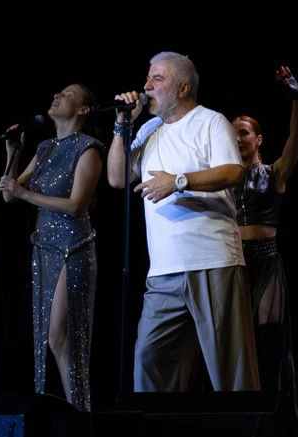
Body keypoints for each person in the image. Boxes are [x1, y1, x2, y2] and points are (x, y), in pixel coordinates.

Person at [107, 52, 259, 393]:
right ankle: (161, 430)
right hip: (163, 271)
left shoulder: (211, 121)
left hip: (212, 261)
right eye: (148, 78)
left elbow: (233, 172)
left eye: (157, 79)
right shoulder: (148, 129)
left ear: (183, 88)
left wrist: (178, 181)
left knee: (230, 370)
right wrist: (121, 125)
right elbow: (117, 178)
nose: (146, 86)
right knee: (150, 360)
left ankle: (244, 428)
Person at [0, 84, 103, 411]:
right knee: (52, 338)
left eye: (68, 94)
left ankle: (81, 412)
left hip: (73, 247)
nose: (57, 96)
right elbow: (8, 194)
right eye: (58, 93)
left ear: (83, 110)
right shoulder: (45, 148)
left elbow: (76, 205)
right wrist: (12, 153)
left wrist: (25, 193)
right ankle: (72, 411)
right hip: (45, 249)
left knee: (61, 336)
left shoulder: (88, 149)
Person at [233, 66, 298, 437]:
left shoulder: (273, 174)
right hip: (234, 265)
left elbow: (296, 140)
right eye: (232, 132)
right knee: (238, 356)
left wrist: (297, 98)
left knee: (270, 352)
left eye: (244, 132)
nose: (237, 137)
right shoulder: (223, 179)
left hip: (266, 262)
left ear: (258, 139)